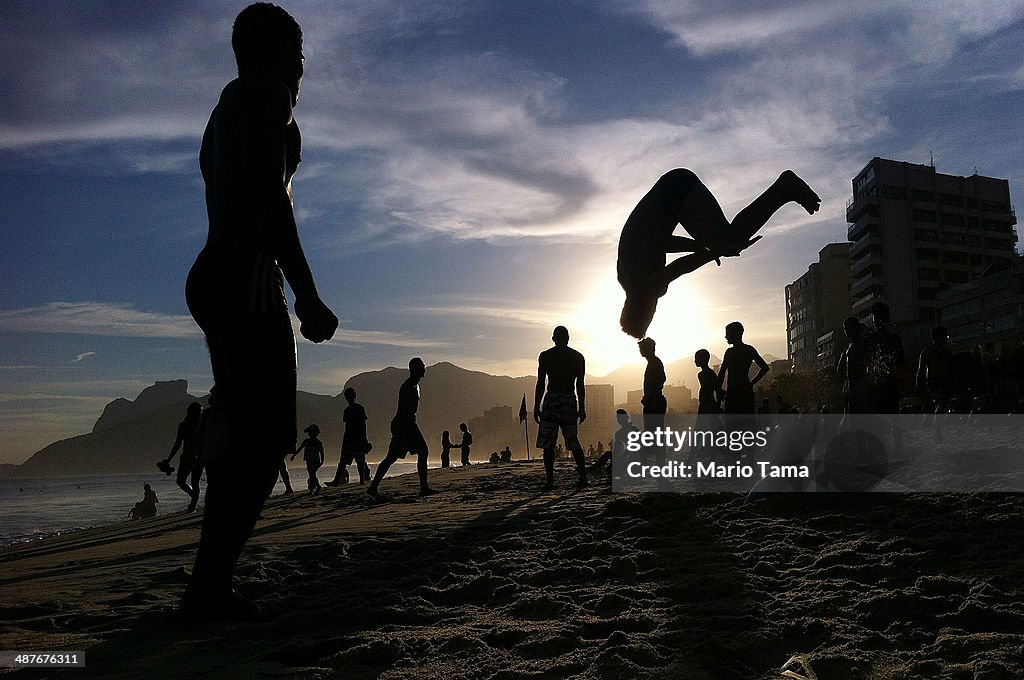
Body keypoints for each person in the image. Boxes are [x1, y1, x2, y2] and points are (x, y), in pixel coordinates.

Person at [182, 3, 338, 619]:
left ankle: (209, 583)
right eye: (298, 59)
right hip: (244, 277)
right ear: (275, 56)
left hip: (222, 274)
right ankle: (209, 588)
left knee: (251, 431)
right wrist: (307, 293)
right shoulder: (266, 97)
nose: (302, 74)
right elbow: (270, 202)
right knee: (265, 434)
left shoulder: (223, 112)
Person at [617, 168, 820, 338]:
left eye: (649, 318)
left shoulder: (643, 287)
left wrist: (713, 251)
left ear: (643, 311)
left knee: (729, 241)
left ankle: (784, 187)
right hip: (673, 188)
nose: (654, 313)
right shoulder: (628, 277)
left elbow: (678, 267)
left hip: (673, 193)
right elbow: (658, 242)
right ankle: (784, 190)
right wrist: (702, 248)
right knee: (727, 241)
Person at [367, 358, 437, 499]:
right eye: (421, 366)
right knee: (392, 457)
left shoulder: (416, 386)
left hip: (408, 424)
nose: (424, 368)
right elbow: (403, 411)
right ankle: (373, 487)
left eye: (424, 366)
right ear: (414, 369)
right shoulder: (407, 387)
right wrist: (403, 431)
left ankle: (423, 487)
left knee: (421, 451)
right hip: (403, 425)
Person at [534, 326, 588, 490]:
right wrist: (582, 406)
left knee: (548, 444)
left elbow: (540, 383)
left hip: (551, 399)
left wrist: (537, 405)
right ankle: (583, 478)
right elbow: (580, 384)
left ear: (553, 339)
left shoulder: (546, 356)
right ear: (568, 338)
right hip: (569, 399)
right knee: (573, 440)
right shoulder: (578, 357)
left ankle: (550, 482)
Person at [718, 322, 769, 414]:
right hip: (740, 392)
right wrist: (751, 384)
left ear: (736, 334)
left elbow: (722, 373)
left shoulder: (732, 352)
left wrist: (719, 390)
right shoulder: (747, 350)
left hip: (737, 393)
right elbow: (764, 368)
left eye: (728, 334)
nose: (726, 337)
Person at [162, 402, 204, 512]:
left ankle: (193, 504)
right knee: (181, 481)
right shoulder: (184, 425)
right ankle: (194, 499)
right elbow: (178, 443)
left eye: (201, 411)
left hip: (198, 458)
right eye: (199, 411)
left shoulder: (202, 425)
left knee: (194, 482)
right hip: (187, 457)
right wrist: (169, 459)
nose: (201, 413)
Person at [326, 387, 372, 486]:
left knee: (351, 461)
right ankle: (358, 481)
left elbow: (362, 425)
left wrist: (364, 439)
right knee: (353, 460)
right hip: (353, 438)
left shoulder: (354, 409)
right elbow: (358, 425)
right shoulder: (353, 409)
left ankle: (357, 480)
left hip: (353, 438)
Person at [639, 337, 668, 464]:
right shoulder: (653, 363)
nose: (640, 350)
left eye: (642, 347)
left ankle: (659, 463)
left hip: (655, 402)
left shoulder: (655, 363)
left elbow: (661, 379)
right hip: (652, 401)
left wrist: (649, 396)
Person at [917, 326, 952, 415]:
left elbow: (921, 369)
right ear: (937, 337)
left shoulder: (928, 351)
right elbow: (921, 368)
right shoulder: (930, 351)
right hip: (936, 380)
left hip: (940, 380)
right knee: (942, 402)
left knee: (942, 403)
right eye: (944, 335)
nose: (946, 338)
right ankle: (937, 423)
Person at [592, 409, 637, 474]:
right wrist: (614, 462)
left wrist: (622, 457)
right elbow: (616, 450)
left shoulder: (634, 429)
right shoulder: (619, 433)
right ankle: (595, 468)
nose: (619, 420)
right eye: (618, 418)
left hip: (634, 456)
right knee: (608, 453)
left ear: (626, 417)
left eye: (620, 418)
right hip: (627, 456)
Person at [292, 424, 324, 494]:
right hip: (308, 460)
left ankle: (312, 489)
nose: (309, 434)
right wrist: (294, 455)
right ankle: (317, 487)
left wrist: (322, 462)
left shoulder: (318, 443)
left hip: (315, 461)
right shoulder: (306, 441)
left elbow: (322, 453)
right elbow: (300, 448)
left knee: (312, 474)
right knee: (312, 475)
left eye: (311, 432)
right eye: (309, 433)